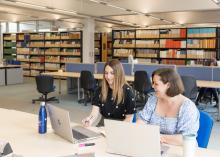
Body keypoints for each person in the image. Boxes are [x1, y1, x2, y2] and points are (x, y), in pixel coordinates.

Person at [136, 68, 200, 146]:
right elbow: (141, 121)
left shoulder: (187, 107)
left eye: (156, 84)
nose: (152, 86)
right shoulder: (153, 99)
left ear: (168, 85)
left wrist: (156, 137)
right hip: (154, 145)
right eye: (153, 83)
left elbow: (185, 138)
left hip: (180, 149)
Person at [82, 59, 136, 127]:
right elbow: (94, 113)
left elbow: (129, 118)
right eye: (106, 73)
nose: (108, 76)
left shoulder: (128, 91)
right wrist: (89, 120)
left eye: (112, 73)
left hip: (121, 125)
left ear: (118, 74)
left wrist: (116, 130)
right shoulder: (100, 89)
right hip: (104, 124)